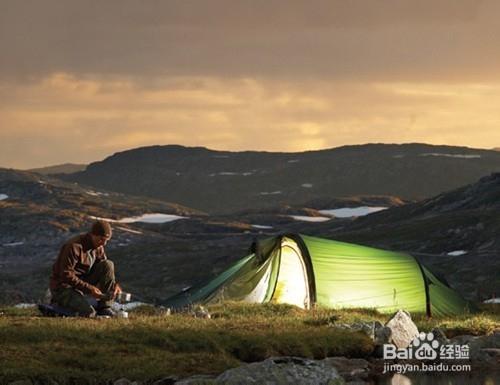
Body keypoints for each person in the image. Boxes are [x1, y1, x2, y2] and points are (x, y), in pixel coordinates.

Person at [49, 220, 121, 317]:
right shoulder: (73, 246)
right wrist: (90, 289)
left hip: (82, 283)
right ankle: (57, 304)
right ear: (92, 235)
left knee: (108, 264)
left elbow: (105, 270)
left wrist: (115, 286)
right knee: (88, 313)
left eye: (106, 240)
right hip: (63, 287)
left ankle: (104, 307)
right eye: (101, 239)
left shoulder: (98, 247)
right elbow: (66, 275)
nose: (104, 244)